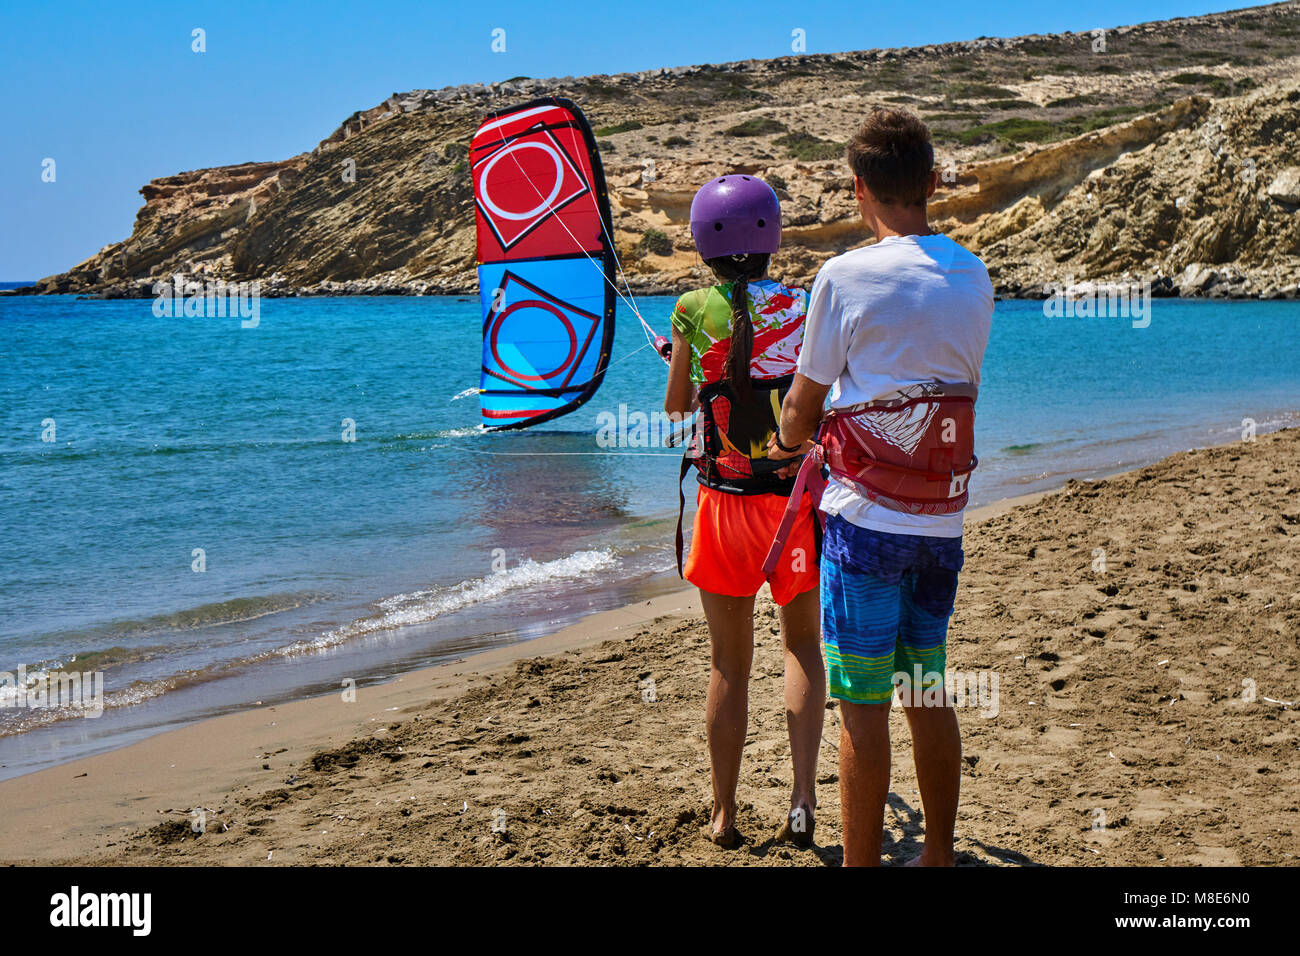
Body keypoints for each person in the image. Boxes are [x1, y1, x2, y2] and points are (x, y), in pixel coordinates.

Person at [769, 109, 994, 866]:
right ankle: (936, 857)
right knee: (925, 688)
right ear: (933, 182)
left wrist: (783, 441)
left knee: (863, 707)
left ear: (857, 187)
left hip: (864, 527)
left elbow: (802, 407)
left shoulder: (843, 276)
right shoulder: (975, 274)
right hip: (942, 524)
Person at [664, 174, 825, 849]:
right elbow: (819, 397)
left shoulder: (690, 307)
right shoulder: (804, 302)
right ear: (773, 237)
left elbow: (677, 408)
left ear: (702, 242)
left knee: (728, 662)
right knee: (803, 650)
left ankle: (724, 814)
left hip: (724, 508)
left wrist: (686, 363)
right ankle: (802, 800)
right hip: (791, 508)